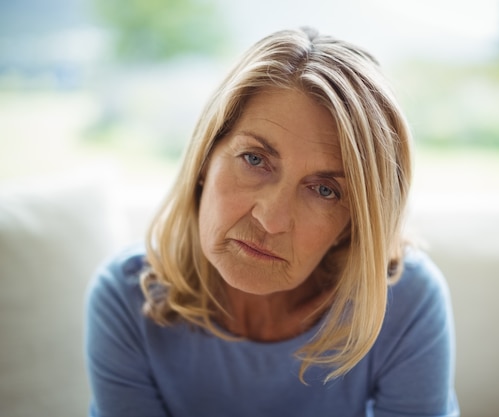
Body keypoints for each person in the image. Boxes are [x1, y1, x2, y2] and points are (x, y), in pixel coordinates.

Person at [85, 27, 459, 417]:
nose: (271, 219)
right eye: (254, 159)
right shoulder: (126, 298)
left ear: (353, 224)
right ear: (204, 160)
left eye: (325, 190)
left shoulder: (403, 302)